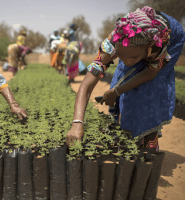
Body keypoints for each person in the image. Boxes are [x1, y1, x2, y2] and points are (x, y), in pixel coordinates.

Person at [66, 6, 185, 152]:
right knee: (123, 76)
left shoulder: (156, 45)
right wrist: (77, 123)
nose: (127, 61)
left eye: (133, 57)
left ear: (148, 47)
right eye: (121, 56)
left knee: (150, 88)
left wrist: (116, 92)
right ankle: (131, 132)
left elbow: (150, 74)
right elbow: (85, 85)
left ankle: (150, 136)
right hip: (135, 47)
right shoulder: (112, 44)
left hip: (172, 38)